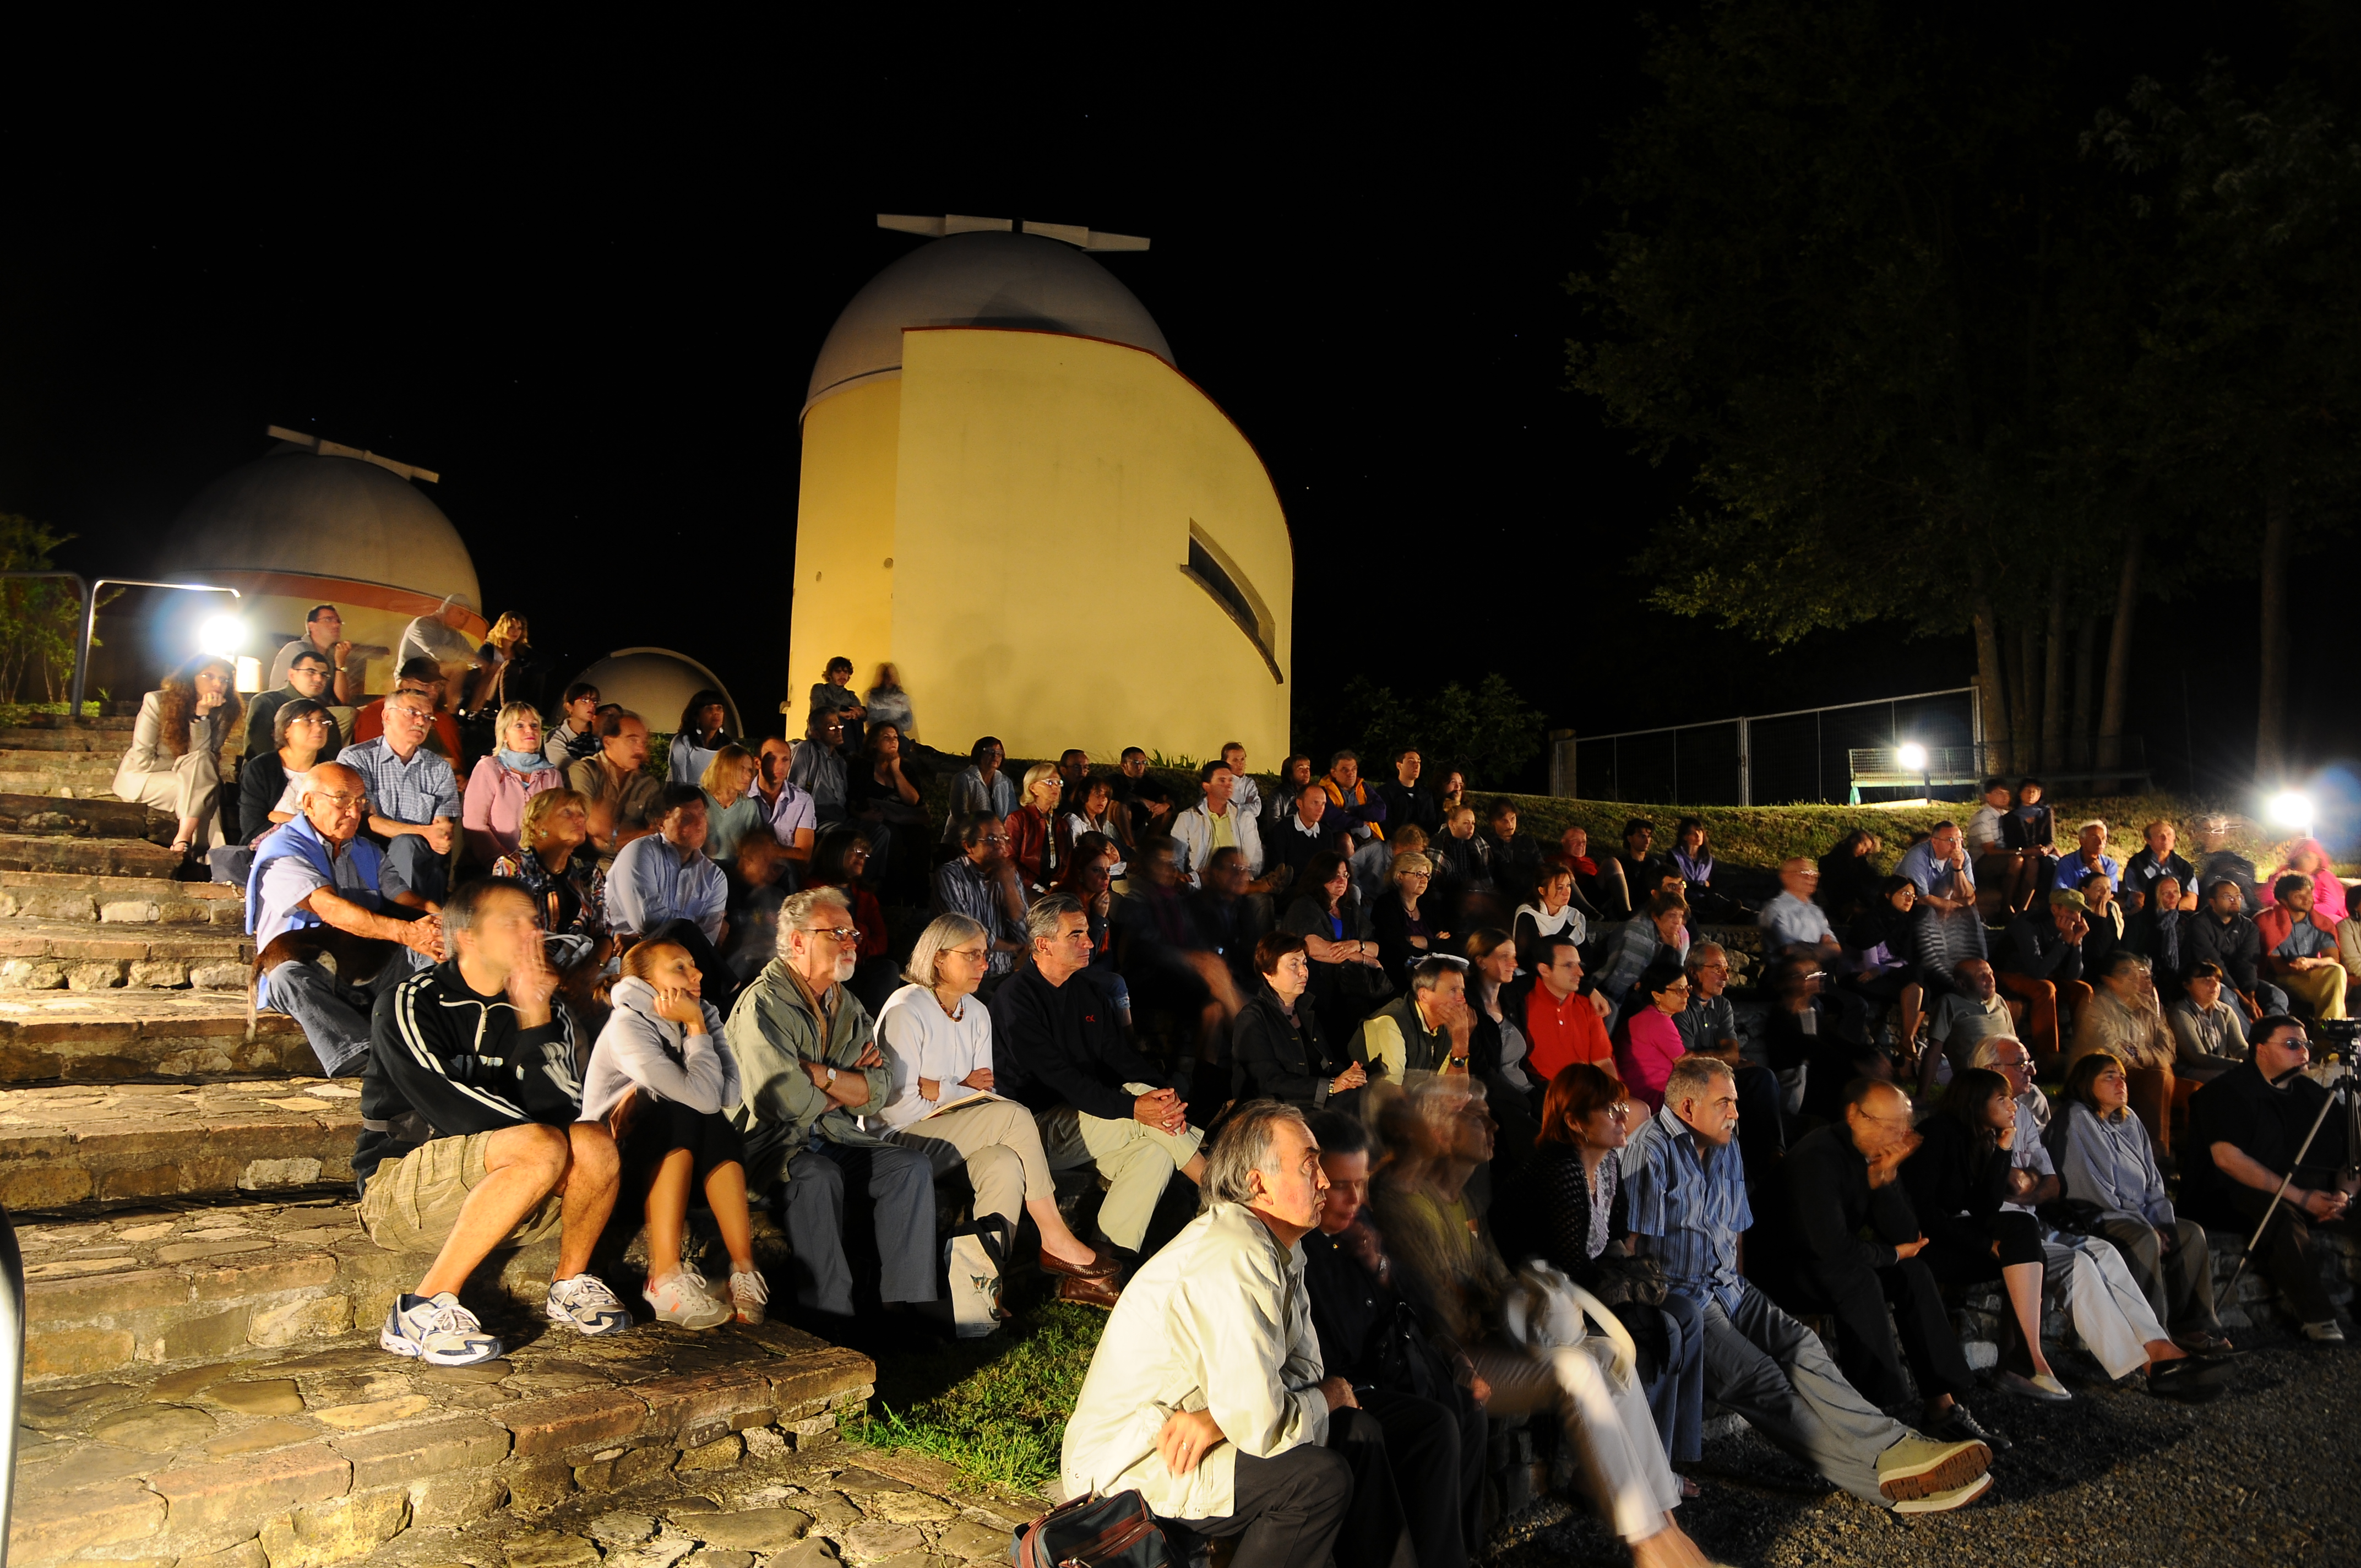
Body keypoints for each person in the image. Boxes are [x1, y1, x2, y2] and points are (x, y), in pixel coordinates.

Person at [1623, 1054, 1994, 1511]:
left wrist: (1743, 1295)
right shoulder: (1653, 1149)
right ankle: (1879, 1475)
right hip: (1681, 1296)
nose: (1738, 1114)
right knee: (1760, 1379)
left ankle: (1898, 1444)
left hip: (1730, 1287)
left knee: (1804, 1346)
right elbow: (1632, 1244)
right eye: (1725, 1103)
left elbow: (1735, 1227)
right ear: (1687, 1108)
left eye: (1736, 1102)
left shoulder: (1725, 1142)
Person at [1060, 1102, 1360, 1568]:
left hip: (1194, 1435)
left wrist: (1220, 1419)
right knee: (1318, 1481)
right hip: (1131, 1464)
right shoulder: (1235, 1253)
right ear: (1258, 1183)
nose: (1324, 1180)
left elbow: (1304, 1370)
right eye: (1309, 1165)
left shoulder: (1282, 1248)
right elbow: (1265, 1425)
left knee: (1362, 1431)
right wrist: (1327, 1397)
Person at [356, 876, 629, 1364]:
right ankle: (420, 1307)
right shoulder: (413, 1001)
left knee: (594, 1142)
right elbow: (446, 1104)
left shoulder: (549, 1013)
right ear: (468, 936)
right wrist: (543, 1144)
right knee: (546, 1144)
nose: (532, 933)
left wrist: (534, 1021)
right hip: (404, 1185)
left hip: (516, 1192)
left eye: (534, 922)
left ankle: (570, 1282)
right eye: (513, 922)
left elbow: (568, 1112)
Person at [874, 913, 1122, 1306]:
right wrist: (959, 1089)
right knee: (1012, 1115)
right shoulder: (908, 1008)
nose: (985, 965)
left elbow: (984, 1091)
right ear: (939, 958)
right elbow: (898, 1107)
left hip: (957, 1133)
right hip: (901, 1140)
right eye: (972, 955)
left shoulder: (976, 1012)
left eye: (986, 955)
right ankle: (1054, 1236)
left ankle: (981, 1294)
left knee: (1004, 1163)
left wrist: (938, 1088)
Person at [1755, 1079, 2007, 1451]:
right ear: (1855, 1116)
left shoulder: (1877, 1153)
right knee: (1861, 1281)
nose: (1898, 1135)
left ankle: (1944, 1407)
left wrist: (1884, 1180)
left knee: (1913, 1273)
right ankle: (1876, 1418)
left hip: (1829, 1262)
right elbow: (1831, 1247)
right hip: (1782, 1267)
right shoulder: (1819, 1157)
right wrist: (1890, 1255)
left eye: (1903, 1126)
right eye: (1889, 1125)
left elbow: (1909, 1236)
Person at [727, 886, 935, 1320]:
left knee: (909, 1167)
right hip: (768, 1148)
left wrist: (821, 1074)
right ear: (798, 941)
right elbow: (784, 1102)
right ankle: (831, 1317)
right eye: (837, 933)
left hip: (835, 1135)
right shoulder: (763, 1004)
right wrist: (844, 1085)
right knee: (817, 1175)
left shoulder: (846, 1003)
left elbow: (877, 1091)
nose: (851, 943)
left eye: (854, 934)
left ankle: (905, 1307)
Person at [1299, 1110, 1487, 1567]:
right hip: (1349, 1386)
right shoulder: (1300, 1247)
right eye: (1341, 1184)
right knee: (1434, 1425)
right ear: (1316, 1180)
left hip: (1397, 1363)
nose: (1354, 1198)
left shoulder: (1362, 1224)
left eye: (1361, 1183)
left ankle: (1458, 1549)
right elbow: (1331, 1349)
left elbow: (1417, 1299)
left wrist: (1456, 1357)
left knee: (1469, 1408)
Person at [1498, 1063, 1708, 1465]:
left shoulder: (1608, 1163)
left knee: (1689, 1314)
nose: (1622, 1114)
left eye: (1620, 1105)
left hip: (1592, 1285)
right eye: (1609, 1109)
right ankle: (1634, 1466)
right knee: (1661, 1328)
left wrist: (1632, 1278)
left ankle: (1672, 1457)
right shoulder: (1560, 1169)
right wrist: (1631, 1289)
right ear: (1575, 1121)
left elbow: (1617, 1237)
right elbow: (1569, 1268)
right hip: (1550, 1303)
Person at [991, 897, 1208, 1264]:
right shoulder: (1017, 999)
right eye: (1076, 935)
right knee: (1145, 1108)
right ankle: (1229, 1198)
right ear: (1043, 944)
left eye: (1088, 933)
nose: (1090, 943)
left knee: (1154, 1150)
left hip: (1088, 1121)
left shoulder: (1088, 992)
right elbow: (1062, 1079)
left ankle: (1109, 1257)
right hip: (1035, 1132)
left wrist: (1162, 1094)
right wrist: (1134, 1106)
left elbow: (1121, 1059)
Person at [581, 937, 763, 1328]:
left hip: (679, 1166)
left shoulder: (704, 1013)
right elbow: (701, 1097)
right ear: (645, 983)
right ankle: (663, 1277)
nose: (696, 973)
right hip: (615, 1175)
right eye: (679, 967)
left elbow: (729, 1094)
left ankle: (743, 1271)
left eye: (694, 965)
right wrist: (696, 1028)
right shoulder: (627, 1025)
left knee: (712, 1122)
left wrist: (699, 1024)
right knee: (680, 1110)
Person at [247, 761, 444, 1076]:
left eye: (360, 802)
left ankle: (446, 1041)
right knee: (287, 977)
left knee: (436, 945)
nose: (354, 812)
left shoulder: (369, 851)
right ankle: (364, 1055)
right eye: (342, 800)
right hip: (312, 972)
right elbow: (329, 908)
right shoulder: (281, 850)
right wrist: (407, 933)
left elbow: (412, 902)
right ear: (309, 802)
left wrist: (446, 923)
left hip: (366, 968)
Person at [1901, 1069, 2076, 1402]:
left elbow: (1986, 1207)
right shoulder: (1938, 1134)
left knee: (2025, 1237)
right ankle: (2023, 1361)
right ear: (1975, 1102)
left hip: (1955, 1238)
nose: (2013, 1106)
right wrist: (1985, 1245)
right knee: (2020, 1245)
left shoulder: (1983, 1138)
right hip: (1926, 1247)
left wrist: (2004, 1148)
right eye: (2002, 1099)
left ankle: (2024, 1357)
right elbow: (1924, 1215)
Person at [2182, 1015, 2353, 1342]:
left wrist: (2345, 1195)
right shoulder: (2227, 1092)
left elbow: (2351, 1154)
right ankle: (2317, 1317)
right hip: (2234, 1192)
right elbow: (2229, 1160)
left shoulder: (2313, 1094)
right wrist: (2303, 1198)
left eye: (2306, 1045)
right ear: (2261, 1049)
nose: (2303, 1051)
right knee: (2279, 1215)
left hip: (2317, 1190)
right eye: (2292, 1045)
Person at [2055, 1050, 2233, 1355]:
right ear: (2086, 1083)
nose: (2120, 1082)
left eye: (2122, 1076)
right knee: (2143, 1239)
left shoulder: (2130, 1120)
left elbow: (2152, 1182)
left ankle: (2192, 1325)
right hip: (2095, 1214)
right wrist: (2145, 1224)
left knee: (2189, 1234)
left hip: (2137, 1215)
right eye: (2109, 1076)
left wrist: (2162, 1221)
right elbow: (2092, 1188)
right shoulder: (2076, 1117)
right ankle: (2152, 1338)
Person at [342, 689, 462, 911]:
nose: (421, 722)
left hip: (420, 855)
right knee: (406, 843)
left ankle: (409, 924)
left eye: (428, 717)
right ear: (387, 716)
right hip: (370, 850)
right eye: (412, 712)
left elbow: (441, 824)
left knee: (412, 847)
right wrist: (422, 831)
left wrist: (441, 835)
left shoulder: (439, 768)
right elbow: (365, 821)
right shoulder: (356, 758)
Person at [608, 785, 731, 992]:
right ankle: (730, 991)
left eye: (702, 815)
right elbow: (647, 919)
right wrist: (689, 927)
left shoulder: (714, 877)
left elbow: (705, 942)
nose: (699, 824)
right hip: (631, 955)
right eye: (686, 818)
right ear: (661, 824)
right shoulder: (641, 852)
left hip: (680, 963)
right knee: (682, 928)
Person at [116, 654, 238, 856]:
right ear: (191, 678)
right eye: (209, 676)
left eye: (225, 680)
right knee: (206, 790)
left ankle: (184, 839)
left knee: (202, 775)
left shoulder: (223, 711)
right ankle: (211, 858)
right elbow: (142, 760)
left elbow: (206, 758)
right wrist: (185, 767)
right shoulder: (156, 702)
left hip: (190, 778)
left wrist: (202, 715)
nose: (218, 683)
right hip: (142, 777)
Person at [1228, 931, 1365, 1110]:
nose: (1304, 971)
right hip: (1276, 1112)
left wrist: (1349, 1075)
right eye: (1294, 965)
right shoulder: (1253, 1019)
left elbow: (1327, 1063)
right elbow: (1268, 1083)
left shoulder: (1307, 1009)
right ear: (1269, 973)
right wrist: (1332, 1086)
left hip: (1316, 1104)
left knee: (1368, 1094)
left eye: (1304, 963)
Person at [2066, 949, 2179, 1148]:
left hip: (2140, 1071)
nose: (2135, 977)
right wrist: (2145, 1057)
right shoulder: (2097, 1007)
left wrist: (2138, 1054)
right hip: (2101, 1076)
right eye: (2126, 972)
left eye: (2137, 971)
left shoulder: (2150, 1006)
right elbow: (2112, 1054)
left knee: (2164, 1073)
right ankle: (2156, 1149)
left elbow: (2168, 1049)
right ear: (2109, 980)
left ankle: (2162, 1149)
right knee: (2160, 1074)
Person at [1279, 850, 1386, 1044]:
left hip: (1354, 981)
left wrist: (1358, 945)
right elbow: (1324, 951)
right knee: (1354, 1007)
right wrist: (1363, 957)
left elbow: (1376, 947)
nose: (1342, 880)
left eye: (1345, 875)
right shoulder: (1304, 907)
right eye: (1335, 875)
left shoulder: (1350, 907)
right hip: (1320, 982)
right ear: (1320, 875)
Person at [491, 787, 607, 945]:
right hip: (530, 960)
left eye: (582, 814)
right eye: (567, 813)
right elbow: (508, 929)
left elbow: (603, 933)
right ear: (540, 826)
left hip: (581, 963)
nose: (580, 820)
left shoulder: (589, 872)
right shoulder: (515, 867)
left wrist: (590, 967)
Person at [1993, 890, 2092, 1070]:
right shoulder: (2028, 924)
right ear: (2055, 909)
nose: (2076, 917)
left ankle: (2086, 1052)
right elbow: (2036, 971)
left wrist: (2076, 943)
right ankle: (2049, 1058)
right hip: (2008, 974)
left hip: (2042, 975)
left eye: (2079, 912)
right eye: (2071, 911)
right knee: (2045, 989)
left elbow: (2073, 975)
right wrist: (2063, 942)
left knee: (2083, 990)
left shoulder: (2071, 929)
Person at [461, 701, 560, 869]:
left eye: (534, 725)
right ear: (505, 735)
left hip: (540, 867)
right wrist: (504, 863)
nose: (530, 730)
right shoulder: (489, 768)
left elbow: (557, 825)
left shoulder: (551, 775)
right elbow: (475, 824)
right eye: (520, 725)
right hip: (492, 868)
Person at [932, 810, 1030, 981]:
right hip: (964, 975)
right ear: (968, 846)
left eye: (1004, 839)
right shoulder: (950, 876)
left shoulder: (1008, 875)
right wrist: (1011, 947)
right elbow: (965, 932)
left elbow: (1025, 934)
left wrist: (1009, 887)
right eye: (991, 840)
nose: (1000, 845)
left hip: (1004, 974)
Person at [565, 709, 662, 870]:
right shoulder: (584, 771)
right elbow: (592, 826)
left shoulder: (647, 784)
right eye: (633, 741)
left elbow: (655, 834)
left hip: (632, 865)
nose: (641, 750)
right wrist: (638, 834)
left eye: (644, 743)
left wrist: (610, 838)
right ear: (608, 742)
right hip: (586, 866)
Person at [1350, 956, 1473, 1081]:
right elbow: (1390, 1094)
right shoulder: (1391, 1023)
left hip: (1415, 1099)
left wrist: (1461, 1044)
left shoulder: (1450, 1027)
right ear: (1424, 996)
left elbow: (1454, 1093)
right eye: (1453, 990)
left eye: (1462, 991)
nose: (1462, 999)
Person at [239, 697, 335, 845]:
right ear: (285, 730)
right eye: (308, 721)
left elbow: (335, 827)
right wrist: (310, 826)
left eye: (323, 722)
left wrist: (287, 819)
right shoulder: (262, 768)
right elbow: (252, 829)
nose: (319, 728)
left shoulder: (332, 772)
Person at [2258, 872, 2351, 1021]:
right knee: (2331, 987)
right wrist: (2295, 966)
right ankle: (2331, 1034)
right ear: (2284, 900)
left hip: (2311, 973)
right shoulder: (2268, 922)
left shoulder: (2321, 923)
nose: (2307, 899)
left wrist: (2311, 962)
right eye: (2298, 896)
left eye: (2309, 893)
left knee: (2337, 972)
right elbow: (2277, 967)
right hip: (2281, 977)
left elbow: (2333, 958)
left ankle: (2329, 1032)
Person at [1522, 934, 1615, 1079]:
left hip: (1588, 1091)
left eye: (1579, 964)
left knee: (1639, 1103)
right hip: (1544, 1094)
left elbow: (1603, 1061)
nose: (1580, 972)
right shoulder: (1521, 1004)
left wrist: (1614, 1097)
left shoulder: (1587, 1004)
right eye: (1568, 965)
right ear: (1544, 970)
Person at [2191, 875, 2286, 1017]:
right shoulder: (2199, 924)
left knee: (2277, 995)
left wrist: (2251, 996)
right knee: (2227, 997)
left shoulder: (2248, 927)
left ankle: (2276, 1031)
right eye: (2227, 897)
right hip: (2210, 979)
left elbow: (2247, 963)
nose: (2234, 900)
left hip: (2240, 981)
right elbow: (2214, 963)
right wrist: (2243, 999)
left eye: (2237, 896)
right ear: (2212, 902)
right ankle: (2250, 1037)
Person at [1593, 892, 1689, 1028]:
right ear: (1656, 917)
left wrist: (1671, 949)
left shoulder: (1678, 936)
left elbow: (1672, 980)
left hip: (1638, 994)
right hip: (1611, 991)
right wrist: (1670, 950)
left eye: (1680, 916)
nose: (1677, 922)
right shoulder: (1638, 933)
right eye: (1672, 915)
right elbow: (1657, 982)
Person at [1172, 759, 1266, 891]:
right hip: (1204, 884)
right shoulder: (1188, 818)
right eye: (1222, 781)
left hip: (1238, 883)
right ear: (1206, 786)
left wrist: (1244, 878)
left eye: (1230, 780)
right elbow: (1176, 859)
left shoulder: (1245, 817)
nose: (1229, 785)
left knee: (1261, 902)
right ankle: (1265, 885)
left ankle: (1262, 886)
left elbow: (1255, 859)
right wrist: (1183, 878)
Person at [1612, 959, 1692, 1114]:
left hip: (1642, 1095)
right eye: (1679, 990)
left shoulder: (1648, 1016)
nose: (1687, 995)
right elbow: (1686, 1064)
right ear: (1657, 995)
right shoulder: (1658, 1021)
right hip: (1651, 1099)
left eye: (1687, 988)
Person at [244, 646, 341, 767]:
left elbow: (332, 756)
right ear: (292, 674)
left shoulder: (326, 716)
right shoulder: (267, 702)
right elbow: (259, 749)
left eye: (324, 675)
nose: (319, 679)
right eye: (311, 672)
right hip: (267, 775)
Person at [351, 658, 463, 761]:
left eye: (437, 686)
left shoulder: (446, 721)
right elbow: (370, 758)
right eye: (426, 685)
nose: (434, 692)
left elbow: (459, 773)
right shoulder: (376, 713)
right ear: (404, 684)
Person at [1925, 957, 2013, 1084]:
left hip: (2008, 1079)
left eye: (1991, 974)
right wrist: (1922, 1096)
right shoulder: (1950, 1003)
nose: (1991, 980)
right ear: (1962, 984)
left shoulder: (1999, 1001)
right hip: (1976, 1082)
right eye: (1982, 977)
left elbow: (2014, 1043)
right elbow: (1934, 1050)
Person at [2167, 960, 2249, 1085]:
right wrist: (2241, 1065)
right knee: (2232, 1080)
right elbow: (2198, 1057)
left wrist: (2256, 1059)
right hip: (2189, 1070)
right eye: (2207, 980)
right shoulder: (2180, 1013)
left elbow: (2239, 1048)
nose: (2215, 985)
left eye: (2218, 980)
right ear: (2187, 985)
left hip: (2223, 1066)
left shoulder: (2225, 1010)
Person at [747, 738, 819, 876]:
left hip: (784, 873)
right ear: (758, 763)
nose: (780, 766)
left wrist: (766, 851)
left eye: (785, 760)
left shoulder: (802, 800)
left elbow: (804, 854)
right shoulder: (744, 795)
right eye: (772, 759)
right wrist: (786, 852)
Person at [265, 602, 360, 706]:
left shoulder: (331, 658)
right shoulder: (296, 649)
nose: (336, 625)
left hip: (320, 712)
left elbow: (342, 700)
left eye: (338, 621)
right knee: (349, 714)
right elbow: (296, 695)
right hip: (292, 711)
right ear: (311, 626)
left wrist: (340, 664)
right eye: (328, 619)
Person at [1370, 850, 1445, 977]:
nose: (1424, 881)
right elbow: (1396, 948)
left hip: (1433, 971)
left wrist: (1425, 942)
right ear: (1400, 877)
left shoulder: (1428, 905)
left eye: (1427, 875)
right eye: (1419, 874)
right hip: (1401, 974)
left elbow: (1447, 944)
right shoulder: (1386, 904)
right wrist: (1434, 948)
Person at [1761, 858, 1843, 965]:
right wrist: (1822, 948)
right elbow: (1789, 951)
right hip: (1786, 976)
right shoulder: (1775, 909)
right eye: (1805, 873)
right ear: (1786, 876)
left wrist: (1807, 948)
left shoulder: (1816, 911)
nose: (1811, 878)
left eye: (1814, 874)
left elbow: (1836, 949)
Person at [697, 745, 768, 867]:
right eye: (741, 769)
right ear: (724, 767)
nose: (747, 777)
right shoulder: (699, 798)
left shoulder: (749, 806)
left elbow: (757, 847)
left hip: (734, 871)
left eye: (750, 770)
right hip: (701, 868)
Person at [2126, 873, 2196, 997]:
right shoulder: (2140, 921)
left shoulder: (2183, 922)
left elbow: (2187, 957)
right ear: (2155, 896)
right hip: (2145, 979)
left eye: (2175, 892)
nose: (2172, 897)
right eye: (2166, 893)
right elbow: (2130, 952)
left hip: (2177, 980)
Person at [1000, 761, 1064, 891]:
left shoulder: (1062, 823)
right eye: (1050, 782)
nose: (1056, 787)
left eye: (1059, 783)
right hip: (1024, 886)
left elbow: (1066, 862)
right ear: (1033, 788)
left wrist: (1056, 884)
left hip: (1054, 887)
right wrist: (1038, 887)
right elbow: (1009, 860)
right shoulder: (1018, 819)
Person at [1511, 865, 1589, 970]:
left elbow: (1586, 956)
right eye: (1560, 888)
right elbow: (1525, 959)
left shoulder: (1574, 918)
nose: (1567, 892)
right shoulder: (1529, 915)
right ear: (1542, 891)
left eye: (1569, 885)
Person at [943, 736, 1015, 841]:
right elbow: (960, 814)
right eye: (990, 751)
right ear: (978, 754)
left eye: (999, 753)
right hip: (966, 838)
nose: (995, 755)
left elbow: (1011, 815)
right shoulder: (964, 778)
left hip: (998, 840)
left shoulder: (1006, 782)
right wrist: (983, 830)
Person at [396, 591, 479, 683]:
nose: (462, 621)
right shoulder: (422, 624)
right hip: (410, 681)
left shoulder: (457, 637)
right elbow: (437, 651)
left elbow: (475, 658)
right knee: (460, 667)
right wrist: (469, 658)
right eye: (460, 613)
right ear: (446, 608)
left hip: (434, 683)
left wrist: (487, 663)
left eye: (466, 618)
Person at [2264, 836, 2349, 924]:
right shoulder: (2283, 877)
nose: (2312, 861)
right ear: (2296, 857)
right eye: (2308, 857)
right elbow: (2273, 902)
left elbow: (2331, 906)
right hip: (2290, 919)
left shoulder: (2323, 878)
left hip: (2322, 917)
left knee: (2337, 922)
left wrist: (2302, 909)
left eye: (2316, 858)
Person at [2003, 778, 2059, 907]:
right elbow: (2010, 843)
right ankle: (2016, 907)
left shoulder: (2046, 812)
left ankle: (2026, 908)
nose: (2032, 794)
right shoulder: (2010, 818)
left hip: (2042, 853)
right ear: (2020, 793)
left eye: (2036, 791)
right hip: (2022, 853)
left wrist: (2045, 849)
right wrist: (2027, 851)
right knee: (2031, 863)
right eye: (2028, 790)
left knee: (2046, 863)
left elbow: (2050, 840)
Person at [2121, 820, 2197, 915]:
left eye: (2169, 834)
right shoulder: (2137, 864)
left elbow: (2191, 902)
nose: (2166, 838)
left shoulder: (2184, 867)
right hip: (2145, 916)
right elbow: (2139, 899)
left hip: (2178, 916)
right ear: (2148, 840)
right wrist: (2163, 910)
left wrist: (2165, 910)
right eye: (2160, 835)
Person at [788, 712, 851, 826]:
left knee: (879, 831)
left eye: (839, 726)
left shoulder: (840, 761)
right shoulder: (806, 749)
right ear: (816, 734)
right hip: (816, 816)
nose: (838, 731)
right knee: (841, 833)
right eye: (832, 727)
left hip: (841, 816)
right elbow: (795, 789)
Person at [2193, 814, 2261, 914]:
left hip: (2241, 915)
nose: (2214, 834)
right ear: (2199, 833)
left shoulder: (2237, 862)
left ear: (2225, 833)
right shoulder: (2194, 863)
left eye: (2218, 830)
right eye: (2208, 829)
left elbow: (2249, 881)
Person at [666, 690, 733, 787]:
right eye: (710, 709)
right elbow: (679, 783)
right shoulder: (682, 742)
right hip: (682, 798)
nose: (716, 713)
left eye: (719, 708)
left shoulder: (730, 747)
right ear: (697, 716)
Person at [1814, 831, 1883, 924]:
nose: (1864, 851)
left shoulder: (1860, 863)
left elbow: (1872, 877)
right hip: (1838, 904)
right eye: (1863, 845)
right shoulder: (1830, 861)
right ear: (1853, 840)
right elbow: (1837, 888)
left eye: (1867, 849)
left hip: (1860, 899)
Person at [1375, 747, 1440, 839]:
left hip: (1422, 844)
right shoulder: (1385, 792)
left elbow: (1432, 824)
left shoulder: (1425, 794)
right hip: (1395, 843)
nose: (1417, 765)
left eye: (1418, 762)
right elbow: (1385, 824)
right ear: (1399, 766)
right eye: (1411, 761)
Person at [807, 657, 866, 755]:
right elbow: (820, 708)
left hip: (847, 742)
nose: (843, 675)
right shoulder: (820, 689)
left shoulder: (850, 695)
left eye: (846, 672)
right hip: (823, 739)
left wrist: (859, 713)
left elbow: (858, 712)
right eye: (838, 672)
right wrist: (842, 713)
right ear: (830, 674)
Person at [2054, 819, 2120, 896]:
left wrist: (2101, 874)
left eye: (2104, 838)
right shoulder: (2067, 863)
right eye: (2094, 838)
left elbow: (2111, 895)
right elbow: (2061, 893)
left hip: (2101, 905)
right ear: (2082, 841)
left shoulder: (2110, 864)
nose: (2100, 843)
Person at [542, 682, 602, 767]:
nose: (592, 705)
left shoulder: (600, 734)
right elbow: (566, 767)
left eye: (595, 701)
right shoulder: (556, 736)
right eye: (585, 700)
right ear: (569, 706)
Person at [862, 662, 914, 742]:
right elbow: (870, 721)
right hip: (877, 738)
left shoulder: (903, 698)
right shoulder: (871, 697)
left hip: (898, 737)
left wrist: (891, 727)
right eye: (886, 675)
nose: (889, 679)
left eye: (891, 675)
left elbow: (908, 724)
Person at [1263, 754, 1314, 832]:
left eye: (1308, 768)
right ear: (1290, 774)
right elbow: (1274, 823)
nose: (1306, 772)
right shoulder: (1278, 793)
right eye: (1301, 769)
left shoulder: (1312, 793)